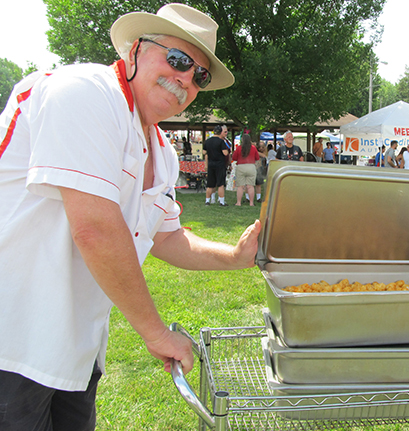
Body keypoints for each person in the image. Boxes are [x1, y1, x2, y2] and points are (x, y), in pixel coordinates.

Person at [0, 4, 263, 430]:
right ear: (136, 50)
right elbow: (97, 230)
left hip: (74, 350)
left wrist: (234, 256)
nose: (185, 79)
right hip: (12, 341)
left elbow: (166, 237)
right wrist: (157, 333)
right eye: (177, 59)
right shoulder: (85, 91)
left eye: (198, 75)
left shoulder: (161, 149)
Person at [203, 124, 230, 206]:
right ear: (220, 132)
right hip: (220, 164)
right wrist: (228, 151)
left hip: (211, 164)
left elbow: (204, 152)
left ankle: (207, 200)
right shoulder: (221, 141)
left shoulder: (207, 141)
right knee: (220, 184)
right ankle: (221, 201)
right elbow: (225, 153)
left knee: (210, 184)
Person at [231, 134, 259, 206]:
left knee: (240, 186)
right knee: (251, 186)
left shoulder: (239, 148)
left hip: (241, 167)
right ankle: (251, 203)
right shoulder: (253, 148)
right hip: (251, 166)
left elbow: (234, 158)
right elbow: (257, 158)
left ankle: (238, 202)